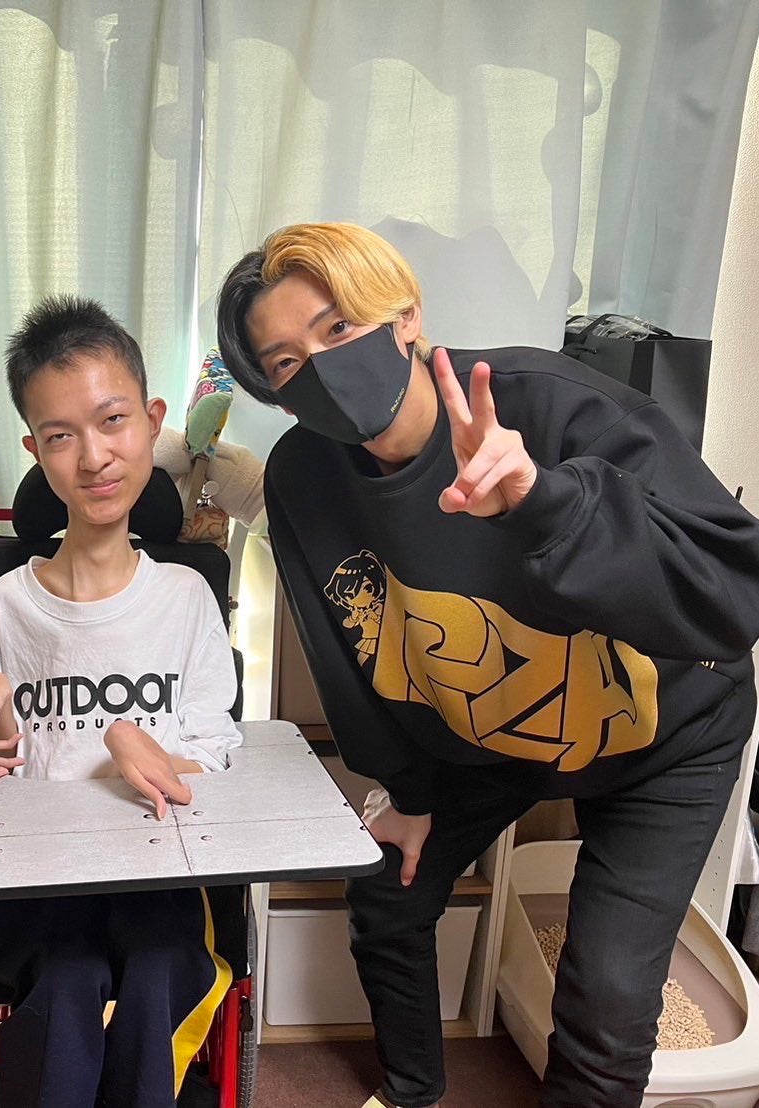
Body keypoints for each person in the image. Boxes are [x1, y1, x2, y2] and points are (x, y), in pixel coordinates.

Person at [215, 222, 759, 1108]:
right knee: (387, 896)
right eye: (284, 362)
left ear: (404, 316)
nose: (319, 366)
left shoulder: (551, 406)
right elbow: (348, 660)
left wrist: (543, 503)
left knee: (605, 1001)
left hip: (669, 727)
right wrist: (405, 793)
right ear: (273, 395)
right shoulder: (304, 479)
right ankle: (412, 1094)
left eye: (337, 328)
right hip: (496, 730)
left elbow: (730, 597)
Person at [0, 295, 243, 1108]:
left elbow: (215, 754)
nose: (93, 457)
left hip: (158, 873)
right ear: (35, 450)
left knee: (158, 971)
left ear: (151, 423)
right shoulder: (6, 601)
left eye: (112, 421)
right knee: (68, 982)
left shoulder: (185, 596)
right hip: (41, 885)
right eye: (60, 436)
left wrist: (136, 749)